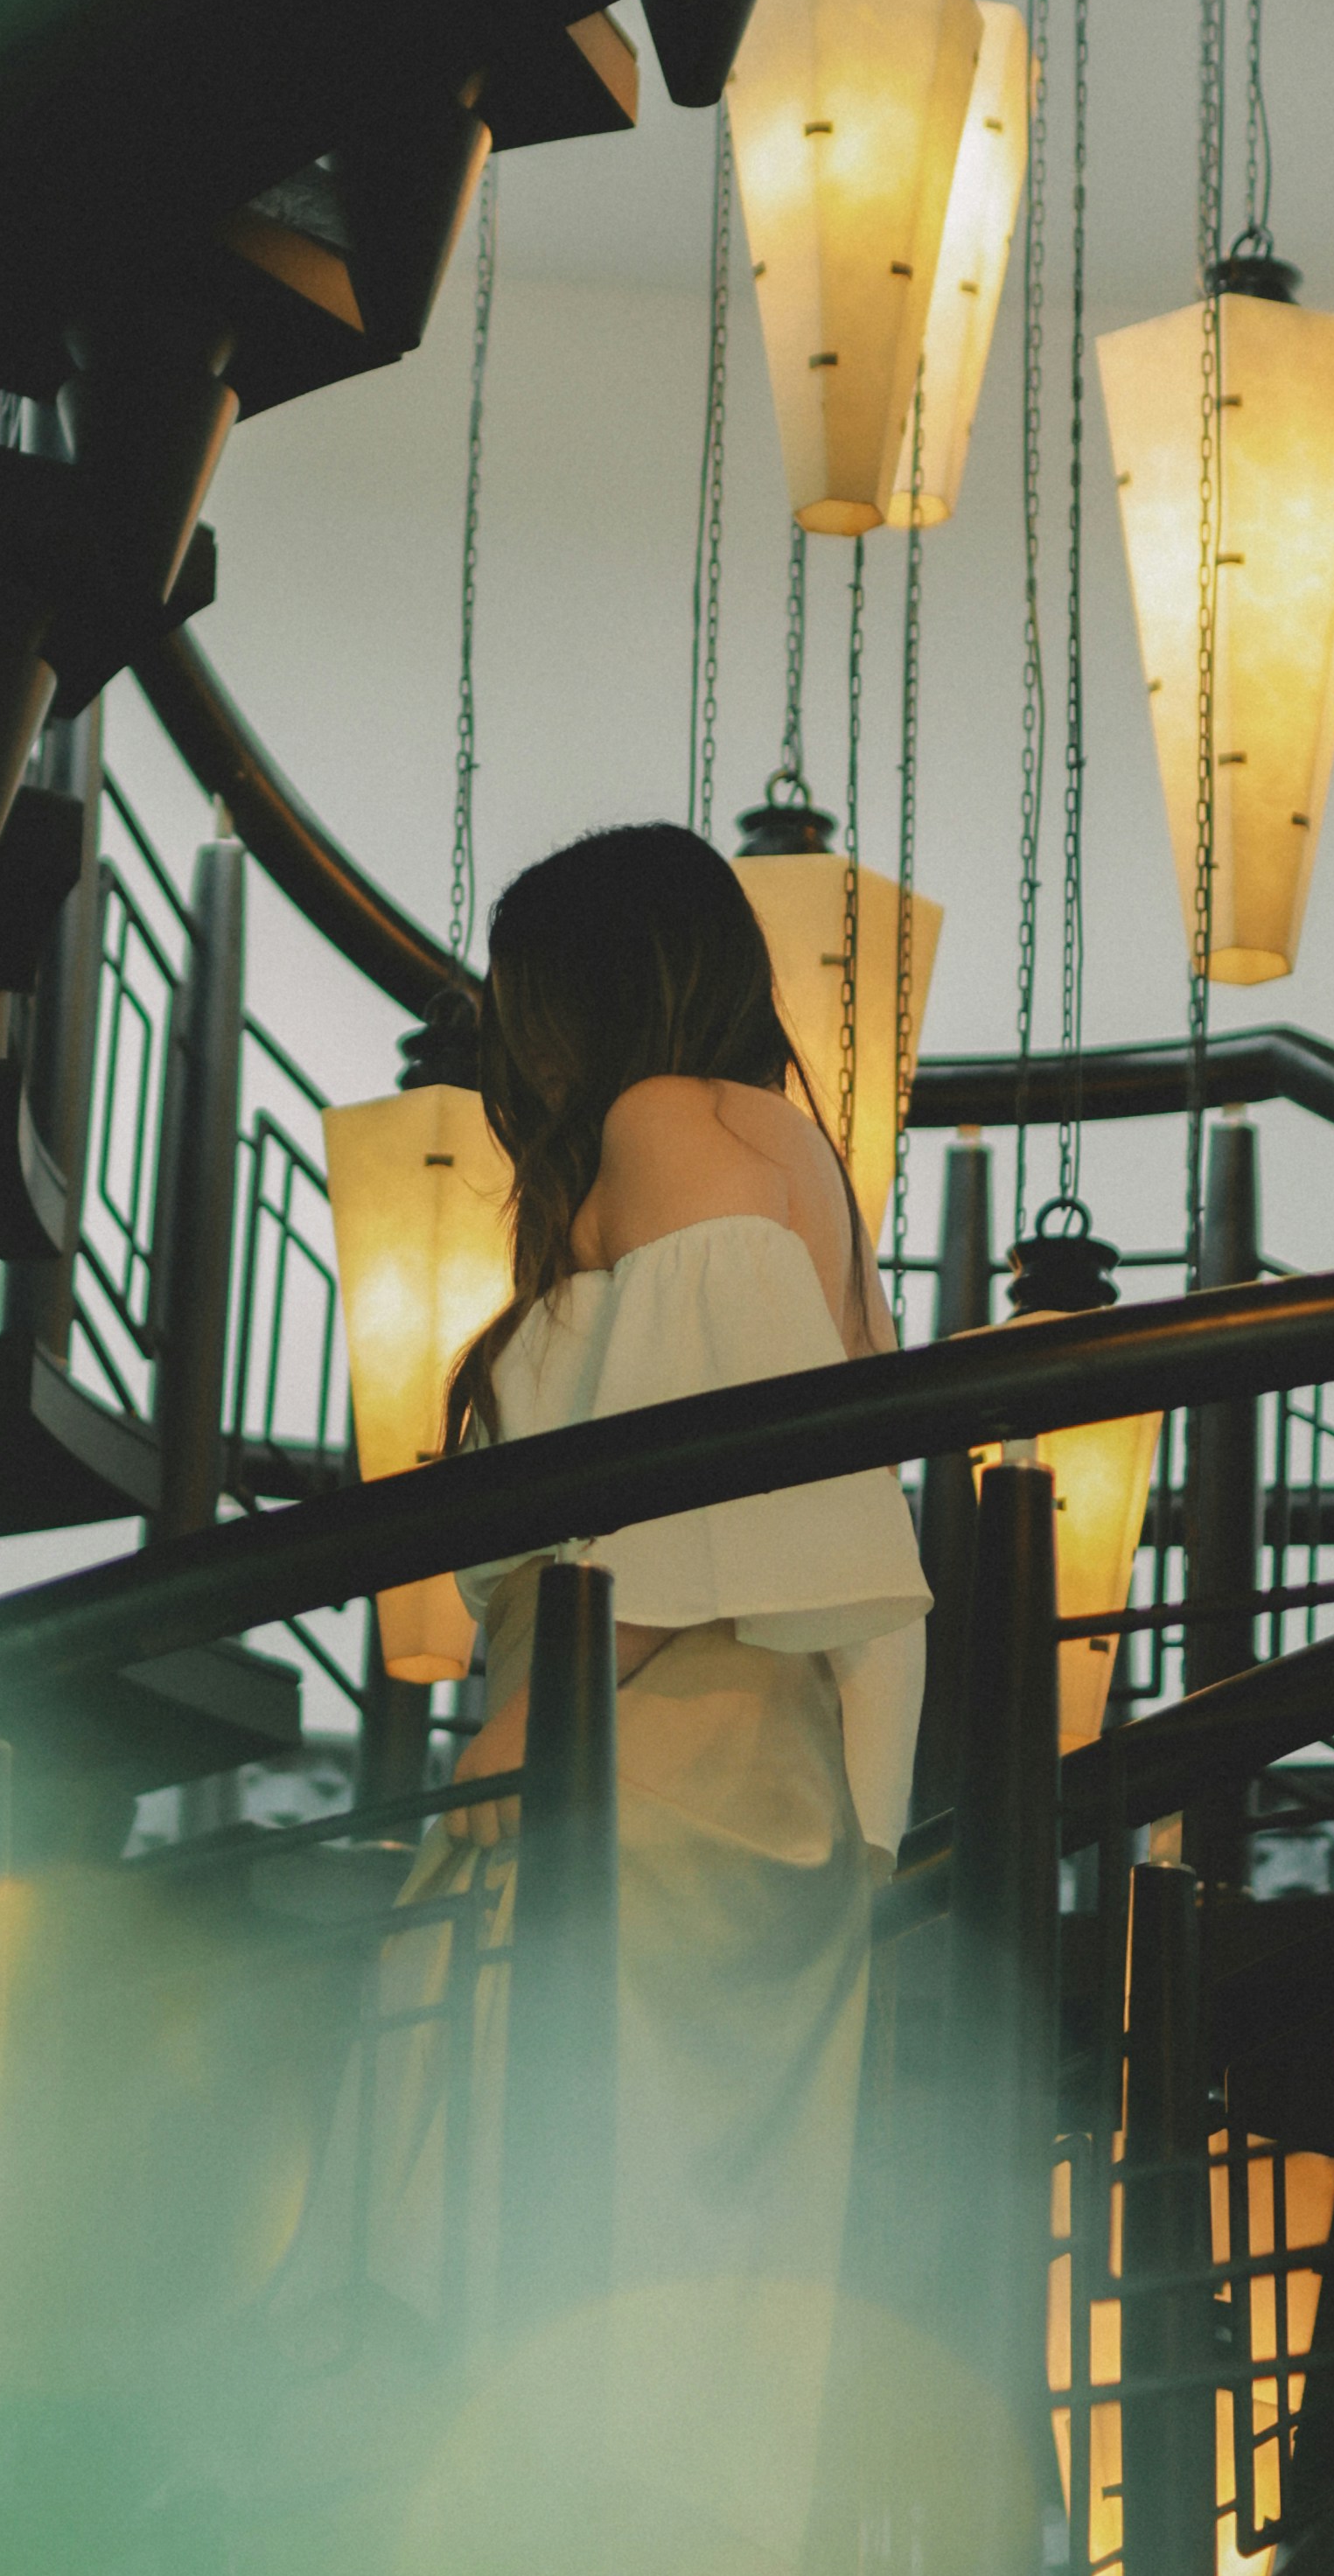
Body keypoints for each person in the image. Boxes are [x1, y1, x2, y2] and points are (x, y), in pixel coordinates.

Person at [352, 821, 929, 2358]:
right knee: (675, 2264)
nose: (512, 1044)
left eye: (522, 999)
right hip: (741, 1756)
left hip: (640, 1742)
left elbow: (699, 1476)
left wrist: (528, 1726)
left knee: (519, 2185)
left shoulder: (665, 1121)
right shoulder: (784, 1144)